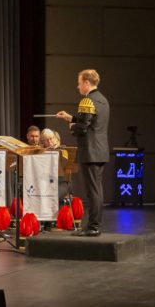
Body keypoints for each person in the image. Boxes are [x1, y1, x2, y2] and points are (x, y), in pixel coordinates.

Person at [56, 69, 109, 237]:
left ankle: (93, 227)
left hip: (90, 151)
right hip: (100, 151)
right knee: (97, 190)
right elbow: (91, 122)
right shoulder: (103, 100)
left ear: (87, 83)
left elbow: (83, 128)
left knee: (92, 191)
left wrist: (72, 127)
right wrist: (71, 118)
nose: (78, 86)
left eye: (79, 83)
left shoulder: (87, 101)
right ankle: (94, 225)